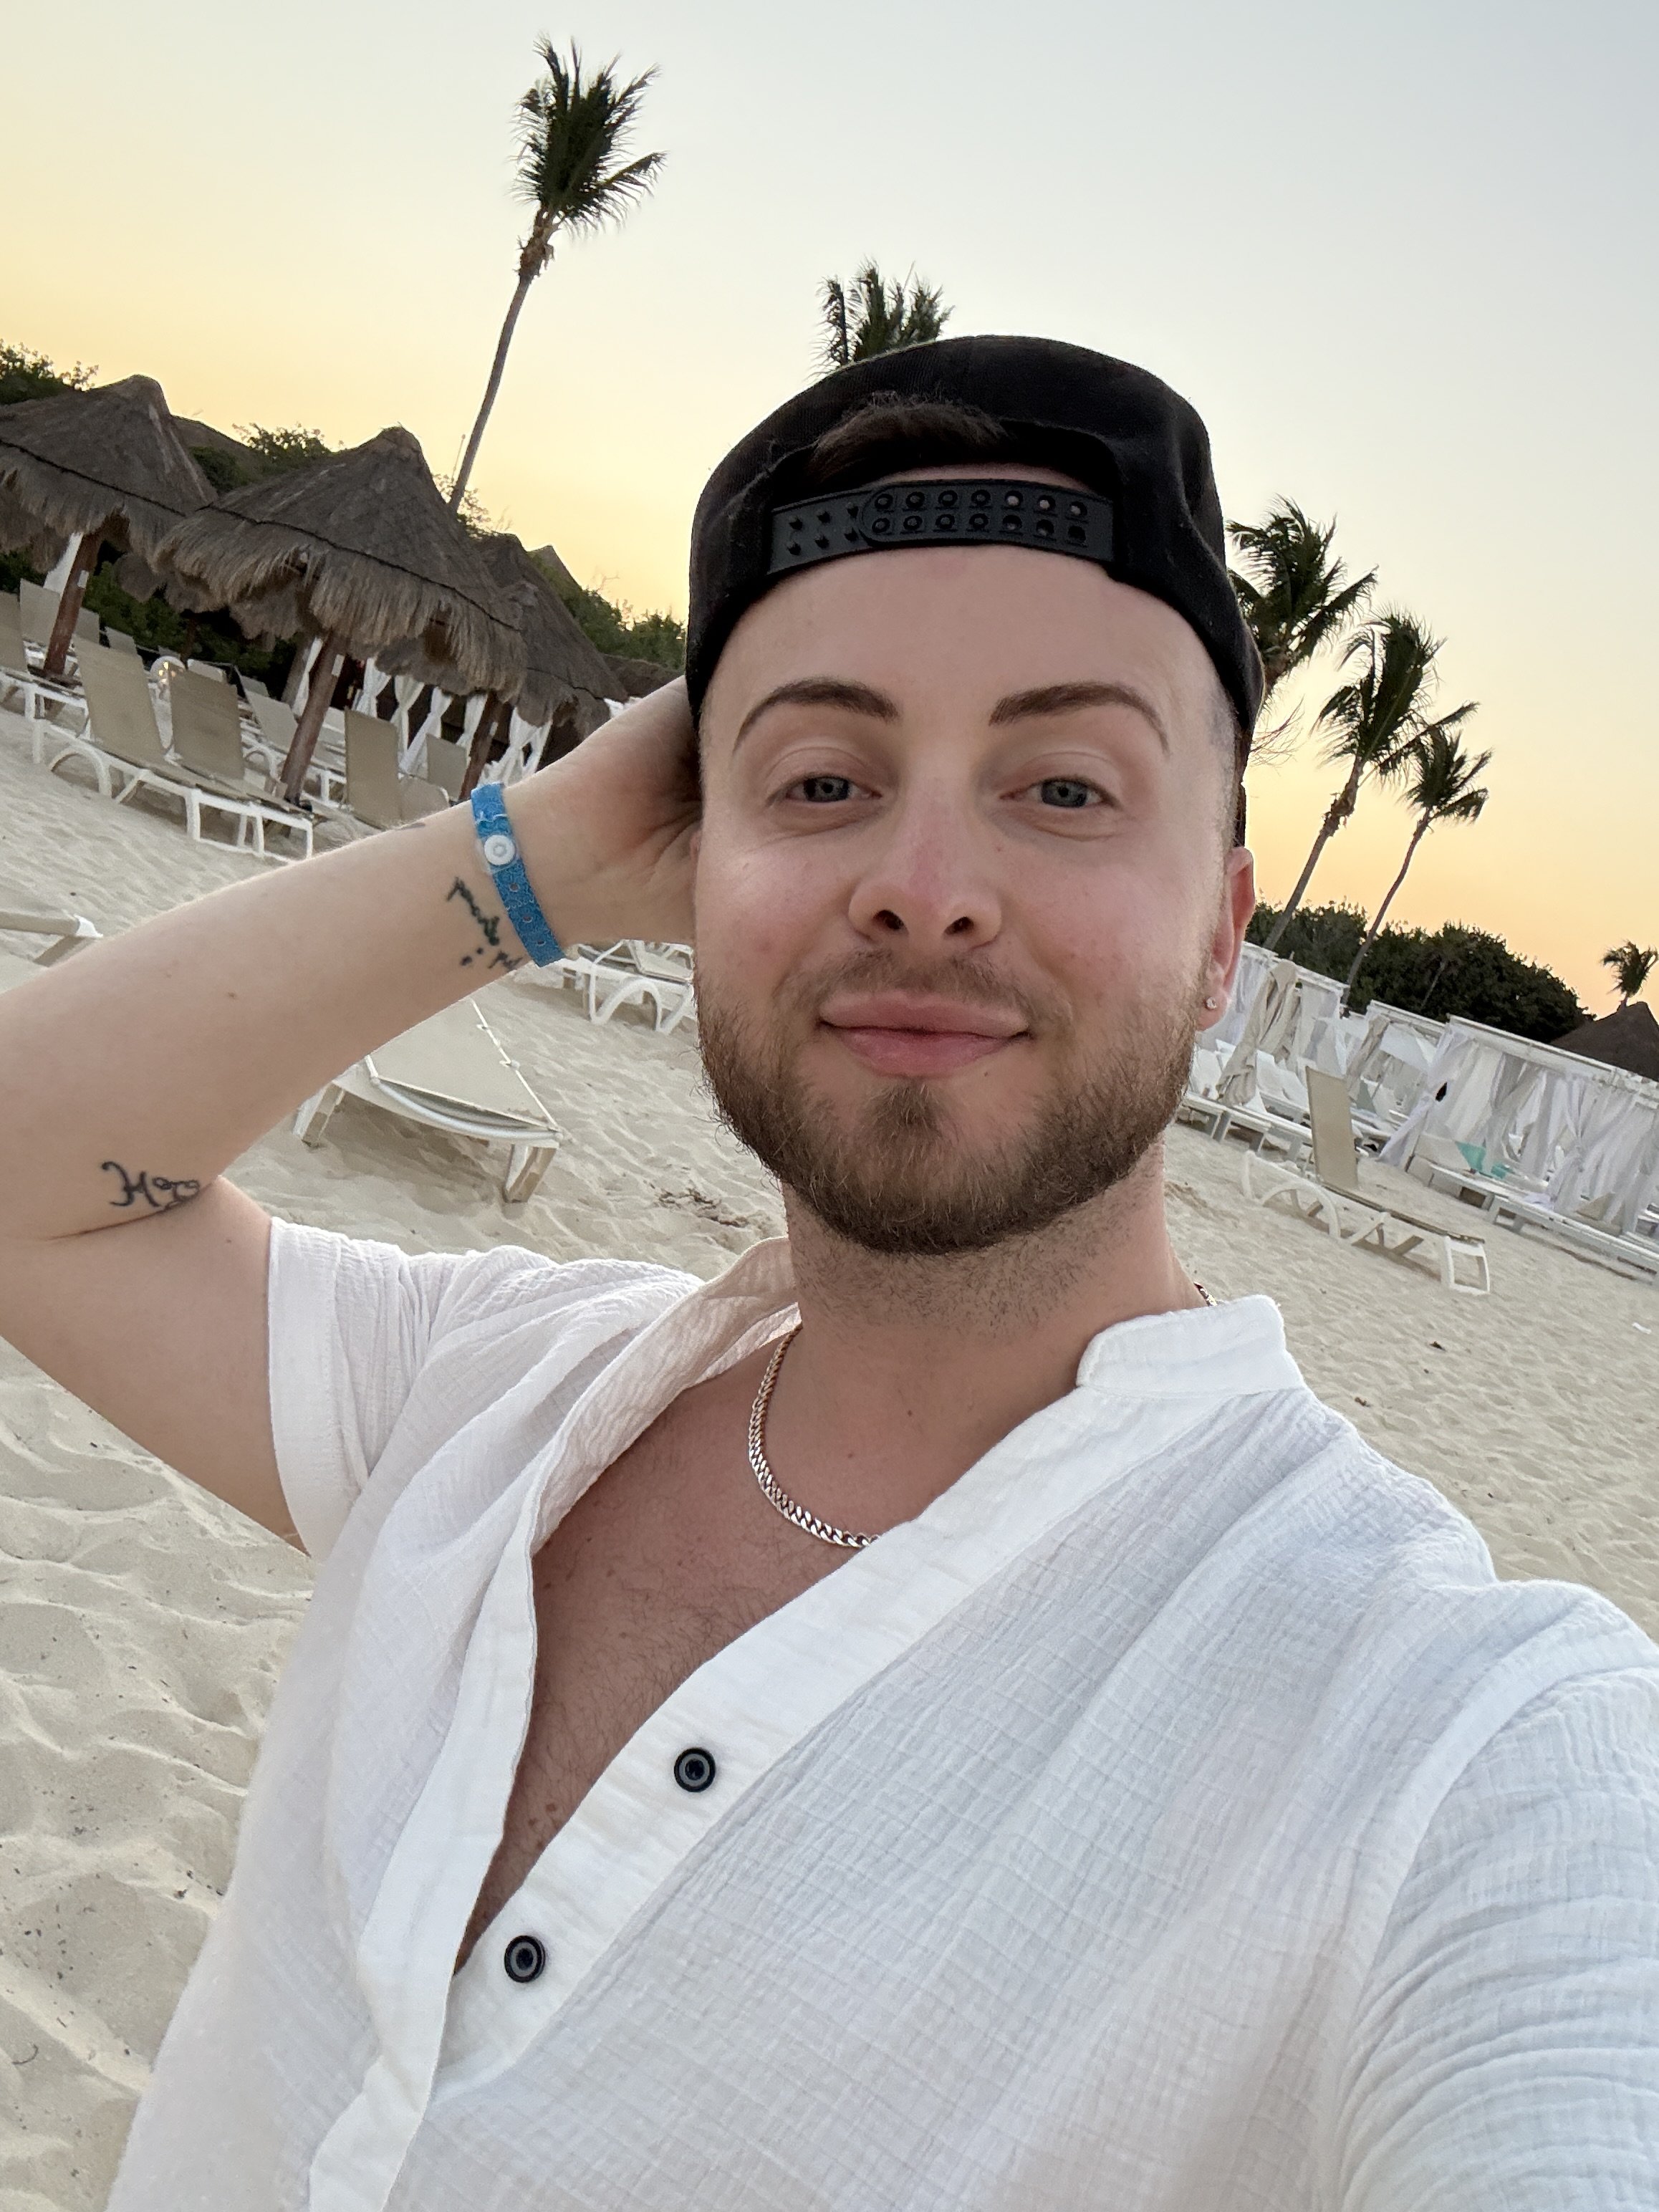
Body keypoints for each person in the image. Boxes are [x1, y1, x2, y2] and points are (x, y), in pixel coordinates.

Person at [0, 336, 1654, 2212]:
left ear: (1218, 939)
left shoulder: (1458, 1746)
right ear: (687, 859)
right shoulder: (483, 1395)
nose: (923, 881)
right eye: (817, 780)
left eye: (1063, 788)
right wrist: (537, 857)